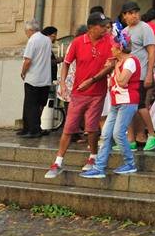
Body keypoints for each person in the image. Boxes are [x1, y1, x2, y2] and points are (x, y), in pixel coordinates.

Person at [47, 12, 114, 178]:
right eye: (101, 25)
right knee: (69, 127)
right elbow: (66, 63)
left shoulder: (109, 41)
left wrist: (92, 80)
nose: (105, 28)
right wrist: (62, 83)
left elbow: (110, 65)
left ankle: (93, 157)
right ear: (91, 28)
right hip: (78, 92)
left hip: (97, 92)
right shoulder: (78, 42)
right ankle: (58, 161)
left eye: (106, 25)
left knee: (91, 127)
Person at [81, 26, 141, 178]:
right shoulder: (120, 62)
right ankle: (99, 167)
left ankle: (130, 163)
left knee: (118, 134)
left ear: (120, 48)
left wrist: (116, 66)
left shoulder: (130, 61)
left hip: (127, 102)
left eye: (113, 47)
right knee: (106, 134)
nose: (111, 50)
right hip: (116, 103)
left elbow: (122, 82)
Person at [120, 2, 155, 151]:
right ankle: (130, 140)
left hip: (142, 73)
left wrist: (150, 73)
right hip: (127, 74)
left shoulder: (145, 28)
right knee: (128, 107)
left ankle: (152, 135)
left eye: (136, 12)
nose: (133, 15)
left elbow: (152, 51)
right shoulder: (124, 31)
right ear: (124, 16)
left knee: (141, 105)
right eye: (129, 13)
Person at [18, 19, 53, 137]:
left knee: (30, 105)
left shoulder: (33, 40)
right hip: (45, 77)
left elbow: (28, 60)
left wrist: (23, 72)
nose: (26, 33)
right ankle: (31, 128)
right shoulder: (47, 40)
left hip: (33, 77)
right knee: (39, 104)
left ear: (30, 30)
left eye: (26, 31)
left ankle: (32, 129)